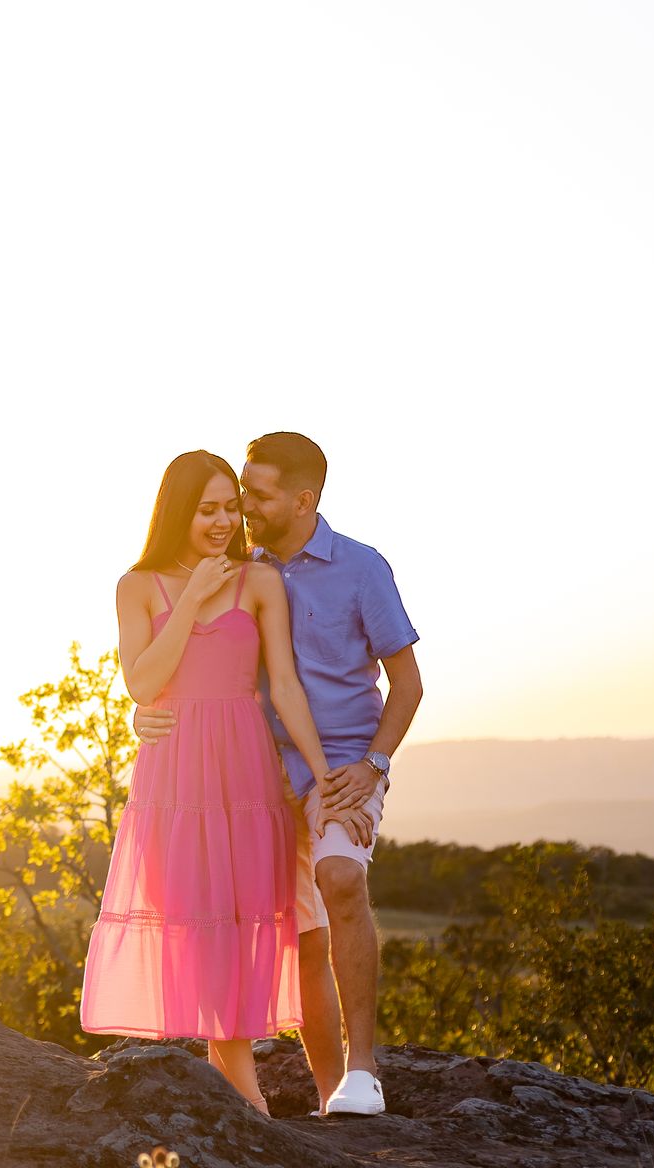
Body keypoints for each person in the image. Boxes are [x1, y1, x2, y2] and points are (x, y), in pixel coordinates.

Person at [134, 432, 422, 1118]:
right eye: (234, 499)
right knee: (299, 935)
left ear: (303, 499)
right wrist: (145, 719)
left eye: (251, 498)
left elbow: (404, 685)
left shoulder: (358, 568)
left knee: (340, 878)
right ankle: (328, 1099)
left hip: (344, 765)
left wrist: (365, 769)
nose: (241, 512)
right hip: (252, 773)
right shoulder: (239, 565)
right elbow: (173, 673)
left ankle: (362, 1071)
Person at [81, 449, 351, 1115]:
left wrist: (325, 778)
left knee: (243, 922)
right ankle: (243, 1098)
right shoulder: (137, 585)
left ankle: (243, 1094)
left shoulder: (260, 582)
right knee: (195, 926)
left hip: (245, 772)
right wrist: (194, 597)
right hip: (174, 778)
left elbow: (284, 684)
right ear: (178, 512)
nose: (224, 520)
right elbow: (143, 682)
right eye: (208, 509)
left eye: (232, 507)